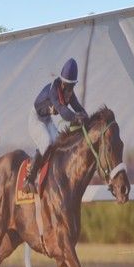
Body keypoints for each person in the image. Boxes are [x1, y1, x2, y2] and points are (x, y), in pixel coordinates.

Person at [24, 57, 89, 193]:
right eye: (69, 85)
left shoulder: (69, 92)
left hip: (46, 119)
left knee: (59, 143)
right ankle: (29, 179)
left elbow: (77, 107)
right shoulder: (54, 90)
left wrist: (87, 118)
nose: (71, 89)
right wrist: (76, 118)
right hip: (35, 119)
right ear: (63, 83)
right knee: (47, 142)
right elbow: (63, 112)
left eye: (73, 86)